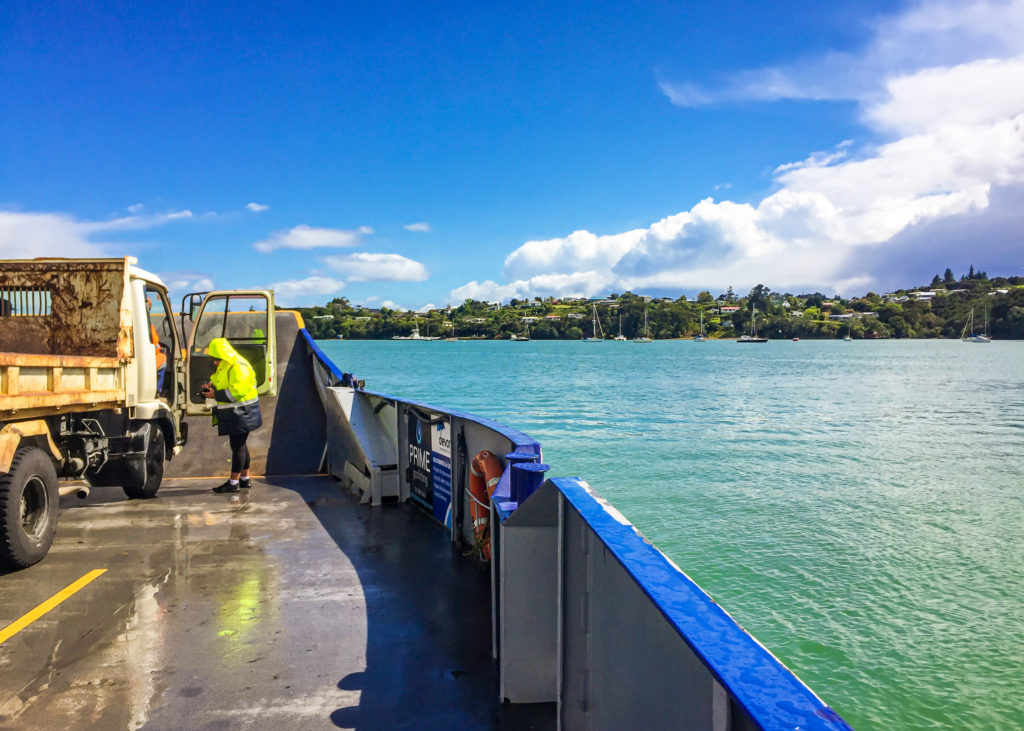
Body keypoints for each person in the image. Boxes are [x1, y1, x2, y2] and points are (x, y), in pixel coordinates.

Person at [200, 337, 262, 493]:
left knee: (237, 446)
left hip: (242, 412)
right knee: (241, 445)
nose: (214, 363)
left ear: (222, 356)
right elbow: (218, 380)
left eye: (216, 359)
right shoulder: (225, 364)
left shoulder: (237, 366)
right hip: (236, 413)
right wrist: (210, 386)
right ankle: (244, 479)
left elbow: (236, 392)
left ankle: (233, 483)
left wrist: (215, 395)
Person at [147, 297, 167, 393]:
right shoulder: (147, 324)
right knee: (163, 359)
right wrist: (160, 350)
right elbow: (154, 345)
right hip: (147, 359)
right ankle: (157, 391)